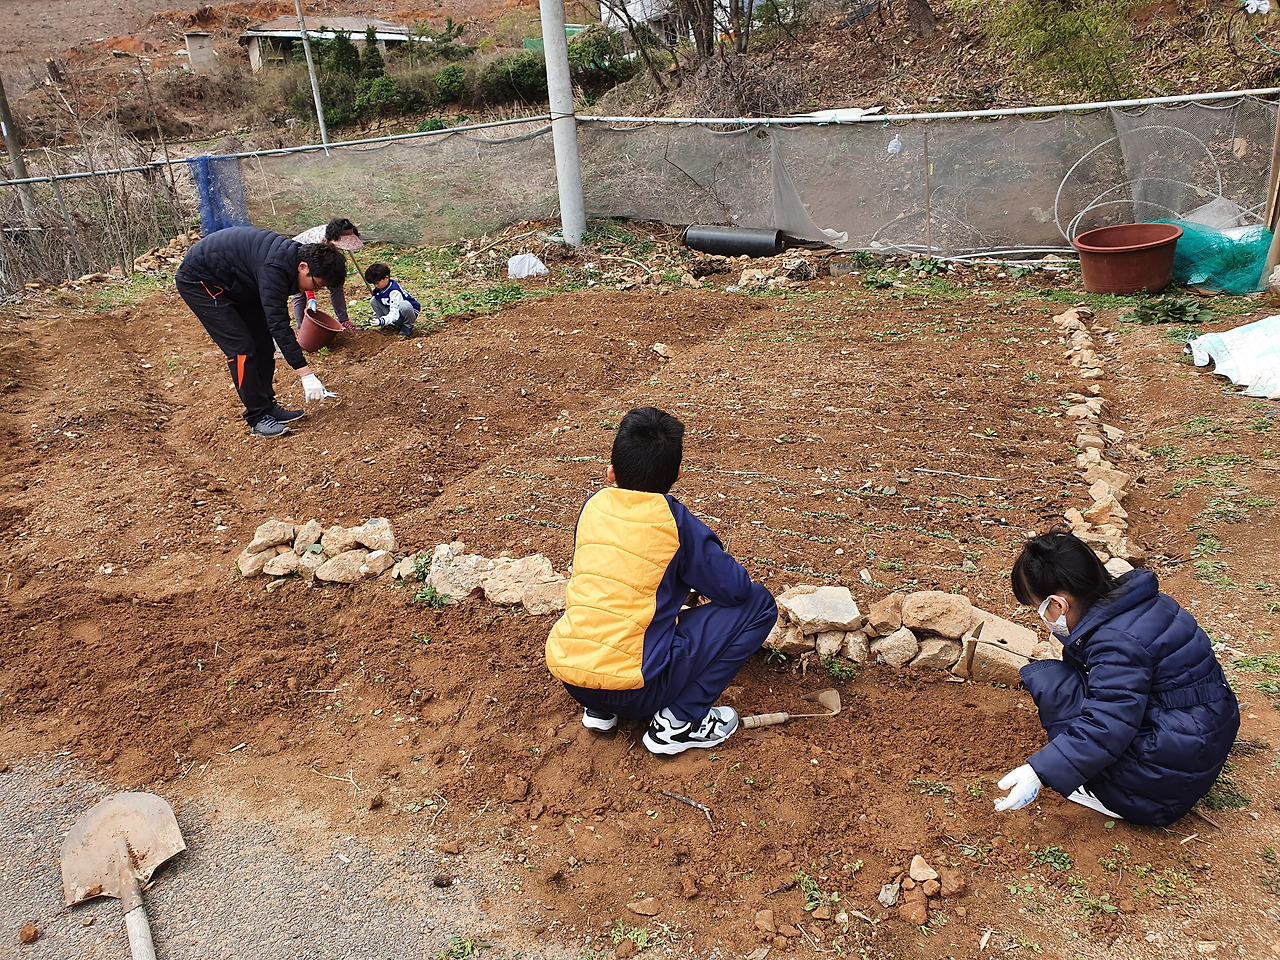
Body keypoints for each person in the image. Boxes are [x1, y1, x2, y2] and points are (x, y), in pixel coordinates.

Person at [545, 407, 778, 756]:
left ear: (611, 472)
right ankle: (678, 723)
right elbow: (736, 589)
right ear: (678, 475)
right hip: (638, 690)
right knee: (759, 604)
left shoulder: (592, 507)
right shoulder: (675, 523)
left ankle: (600, 710)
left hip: (573, 677)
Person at [993, 530, 1239, 826]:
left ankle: (1110, 792)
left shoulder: (1116, 642)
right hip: (1202, 733)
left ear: (1058, 604)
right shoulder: (1142, 603)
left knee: (1055, 684)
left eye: (1038, 607)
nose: (1041, 615)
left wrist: (1039, 772)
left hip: (1164, 782)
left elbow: (1106, 724)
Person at [176, 226, 347, 438]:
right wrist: (305, 372)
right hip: (201, 281)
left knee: (264, 342)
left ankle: (267, 406)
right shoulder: (275, 268)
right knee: (241, 348)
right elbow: (278, 323)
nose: (316, 290)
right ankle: (257, 417)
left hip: (237, 280)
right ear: (303, 267)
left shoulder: (290, 263)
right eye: (317, 285)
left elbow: (272, 321)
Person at [290, 218, 363, 333]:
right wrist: (311, 298)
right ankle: (302, 329)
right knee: (300, 292)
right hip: (300, 259)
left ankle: (344, 321)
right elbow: (310, 274)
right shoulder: (318, 243)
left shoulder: (333, 237)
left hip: (321, 259)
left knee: (335, 285)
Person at [364, 262, 421, 338]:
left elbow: (395, 313)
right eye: (374, 284)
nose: (376, 286)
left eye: (377, 283)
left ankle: (407, 326)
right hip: (393, 312)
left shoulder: (394, 292)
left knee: (405, 306)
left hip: (405, 313)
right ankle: (388, 324)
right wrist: (376, 319)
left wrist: (382, 320)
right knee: (374, 301)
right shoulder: (380, 290)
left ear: (386, 278)